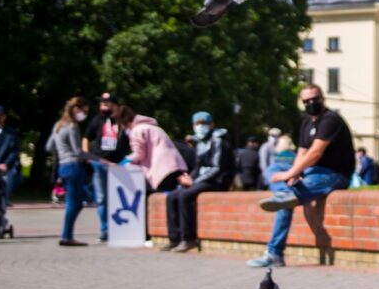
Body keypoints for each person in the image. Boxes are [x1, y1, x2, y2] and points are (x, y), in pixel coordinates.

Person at [247, 85, 354, 268]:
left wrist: (292, 173)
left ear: (323, 99)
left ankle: (275, 252)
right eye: (306, 101)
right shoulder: (306, 122)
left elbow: (315, 152)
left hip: (334, 174)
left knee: (287, 196)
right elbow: (302, 152)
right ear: (302, 103)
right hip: (311, 172)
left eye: (315, 99)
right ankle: (286, 195)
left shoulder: (330, 119)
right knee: (274, 168)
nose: (311, 103)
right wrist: (295, 174)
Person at [161, 111, 234, 253]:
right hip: (203, 179)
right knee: (172, 196)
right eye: (197, 124)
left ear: (212, 125)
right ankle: (174, 238)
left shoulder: (218, 141)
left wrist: (194, 183)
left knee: (185, 196)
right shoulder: (200, 142)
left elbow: (217, 168)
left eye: (204, 124)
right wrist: (189, 179)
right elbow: (198, 166)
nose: (200, 127)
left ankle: (188, 239)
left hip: (217, 180)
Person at [81, 92, 130, 242]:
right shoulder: (97, 120)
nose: (103, 105)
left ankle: (122, 228)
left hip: (118, 165)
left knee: (119, 197)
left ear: (115, 105)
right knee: (102, 198)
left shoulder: (122, 121)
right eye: (101, 103)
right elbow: (86, 137)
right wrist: (86, 155)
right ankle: (105, 229)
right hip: (99, 163)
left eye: (106, 103)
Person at [45, 97, 92, 246]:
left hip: (63, 167)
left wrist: (61, 150)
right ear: (76, 109)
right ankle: (66, 236)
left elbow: (48, 147)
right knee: (74, 203)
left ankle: (68, 234)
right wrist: (95, 157)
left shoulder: (57, 125)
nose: (84, 115)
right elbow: (78, 151)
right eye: (84, 111)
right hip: (73, 167)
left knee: (78, 202)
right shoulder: (73, 126)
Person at [114, 104, 189, 193]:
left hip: (161, 171)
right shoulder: (152, 127)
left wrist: (125, 161)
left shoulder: (137, 131)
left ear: (123, 123)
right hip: (175, 166)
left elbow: (139, 154)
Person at [0, 105, 21, 205]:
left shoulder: (11, 133)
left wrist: (6, 164)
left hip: (4, 167)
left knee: (11, 176)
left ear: (4, 117)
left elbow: (14, 152)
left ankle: (3, 200)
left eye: (0, 115)